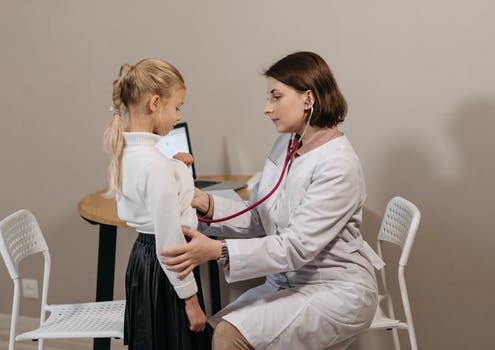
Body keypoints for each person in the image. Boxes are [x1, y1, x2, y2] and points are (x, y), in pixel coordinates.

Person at [160, 51, 385, 349]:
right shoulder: (288, 143)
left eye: (276, 97)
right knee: (202, 334)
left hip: (336, 290)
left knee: (228, 337)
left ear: (309, 98)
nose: (267, 108)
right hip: (289, 282)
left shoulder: (338, 164)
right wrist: (204, 202)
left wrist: (217, 250)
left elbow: (295, 246)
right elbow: (260, 216)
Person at [103, 58, 211, 350]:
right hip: (168, 267)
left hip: (143, 261)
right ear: (154, 103)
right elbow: (170, 240)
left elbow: (151, 202)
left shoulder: (128, 154)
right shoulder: (157, 166)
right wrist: (191, 300)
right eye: (177, 107)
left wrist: (176, 169)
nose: (178, 116)